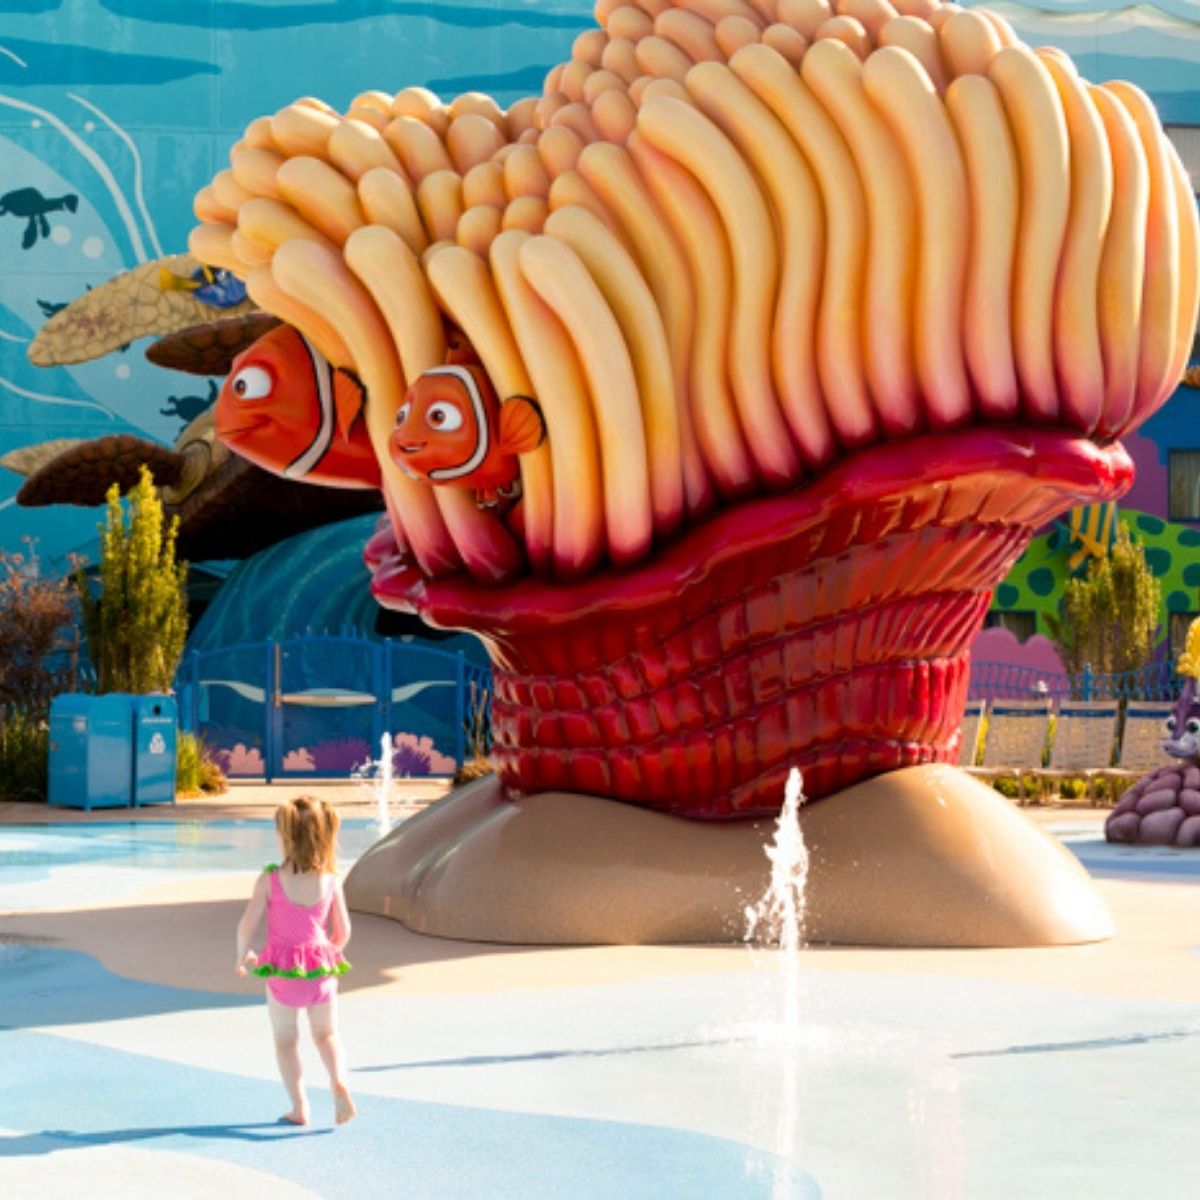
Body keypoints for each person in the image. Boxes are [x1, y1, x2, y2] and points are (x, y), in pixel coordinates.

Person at [236, 794, 356, 1125]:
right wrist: (326, 951)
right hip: (320, 970)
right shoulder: (331, 880)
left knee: (286, 1041)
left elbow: (247, 923)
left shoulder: (270, 879)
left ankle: (300, 1107)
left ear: (286, 837)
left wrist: (242, 955)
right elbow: (343, 932)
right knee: (327, 1036)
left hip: (282, 973)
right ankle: (339, 1081)